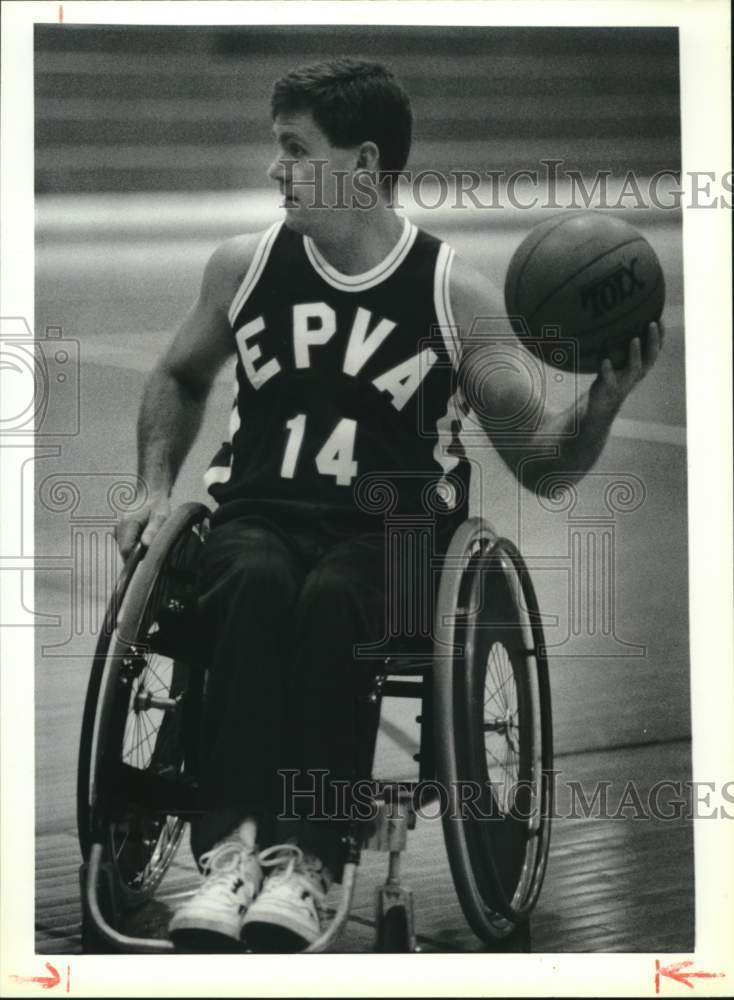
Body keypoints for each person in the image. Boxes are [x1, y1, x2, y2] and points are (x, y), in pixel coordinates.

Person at [116, 58, 663, 953]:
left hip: (394, 541)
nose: (276, 168)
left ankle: (309, 861)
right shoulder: (243, 268)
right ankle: (231, 854)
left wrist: (601, 405)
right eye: (278, 148)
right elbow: (178, 375)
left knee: (337, 599)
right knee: (249, 578)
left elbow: (541, 464)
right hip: (258, 515)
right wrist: (151, 485)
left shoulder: (455, 295)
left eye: (296, 149)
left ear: (363, 163)